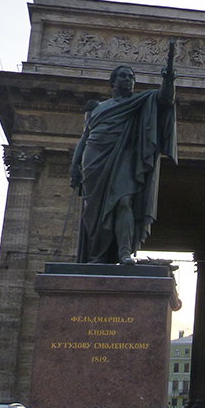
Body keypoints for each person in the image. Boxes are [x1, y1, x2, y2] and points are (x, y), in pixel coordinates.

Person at [70, 43, 178, 265]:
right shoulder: (97, 108)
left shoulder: (140, 101)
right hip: (94, 159)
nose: (128, 80)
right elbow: (85, 137)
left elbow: (165, 99)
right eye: (123, 76)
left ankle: (124, 252)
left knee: (124, 201)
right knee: (95, 211)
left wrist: (168, 79)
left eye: (131, 77)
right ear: (113, 82)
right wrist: (74, 166)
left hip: (124, 157)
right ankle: (98, 256)